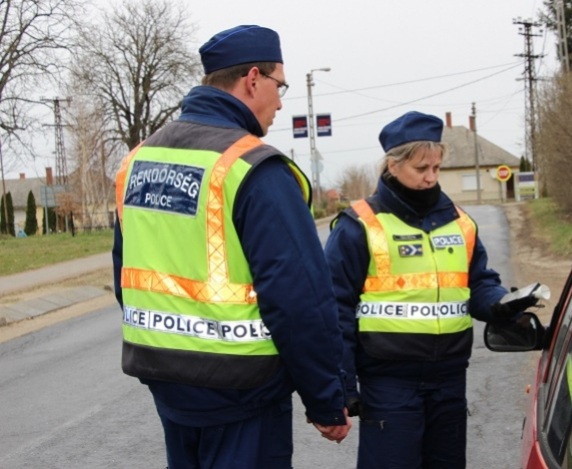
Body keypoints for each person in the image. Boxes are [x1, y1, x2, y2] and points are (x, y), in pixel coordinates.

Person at [112, 25, 350, 468]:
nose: (281, 101)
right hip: (244, 394)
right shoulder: (253, 168)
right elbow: (299, 298)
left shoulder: (137, 160)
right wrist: (325, 398)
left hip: (167, 382)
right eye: (280, 86)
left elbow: (124, 275)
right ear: (254, 78)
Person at [324, 111, 538, 469]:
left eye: (436, 169)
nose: (431, 178)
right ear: (393, 166)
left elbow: (477, 282)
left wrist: (501, 304)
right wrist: (342, 386)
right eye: (421, 169)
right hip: (389, 381)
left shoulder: (459, 221)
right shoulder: (359, 225)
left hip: (449, 379)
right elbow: (333, 309)